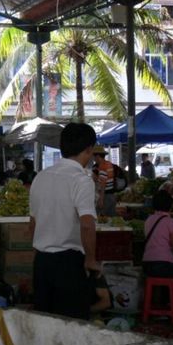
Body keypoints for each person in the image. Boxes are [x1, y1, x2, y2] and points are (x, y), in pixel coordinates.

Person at [30, 122, 99, 320]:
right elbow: (87, 224)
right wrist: (91, 260)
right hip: (68, 264)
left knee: (45, 325)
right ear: (88, 149)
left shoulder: (40, 178)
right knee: (71, 325)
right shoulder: (82, 180)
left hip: (41, 263)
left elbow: (32, 224)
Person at [93, 146, 124, 216]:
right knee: (111, 218)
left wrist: (101, 199)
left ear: (97, 156)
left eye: (94, 156)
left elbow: (103, 184)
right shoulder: (109, 164)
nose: (94, 159)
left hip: (106, 197)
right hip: (112, 196)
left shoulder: (102, 166)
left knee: (101, 217)